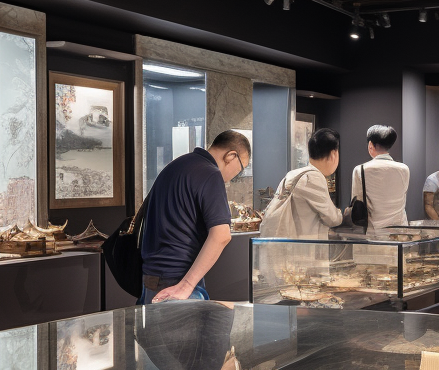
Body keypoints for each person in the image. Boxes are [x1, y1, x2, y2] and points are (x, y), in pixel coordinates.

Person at [139, 130, 250, 304]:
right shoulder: (211, 173)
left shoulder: (177, 165)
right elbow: (222, 235)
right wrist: (186, 285)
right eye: (241, 168)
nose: (235, 176)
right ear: (231, 156)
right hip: (178, 282)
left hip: (152, 278)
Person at [260, 128, 343, 238]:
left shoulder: (294, 174)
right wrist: (344, 214)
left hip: (285, 244)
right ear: (333, 154)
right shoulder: (313, 177)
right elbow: (332, 219)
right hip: (301, 250)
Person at [349, 125, 410, 229]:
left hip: (372, 232)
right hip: (399, 232)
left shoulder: (361, 169)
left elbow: (357, 202)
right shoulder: (404, 169)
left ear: (370, 145)